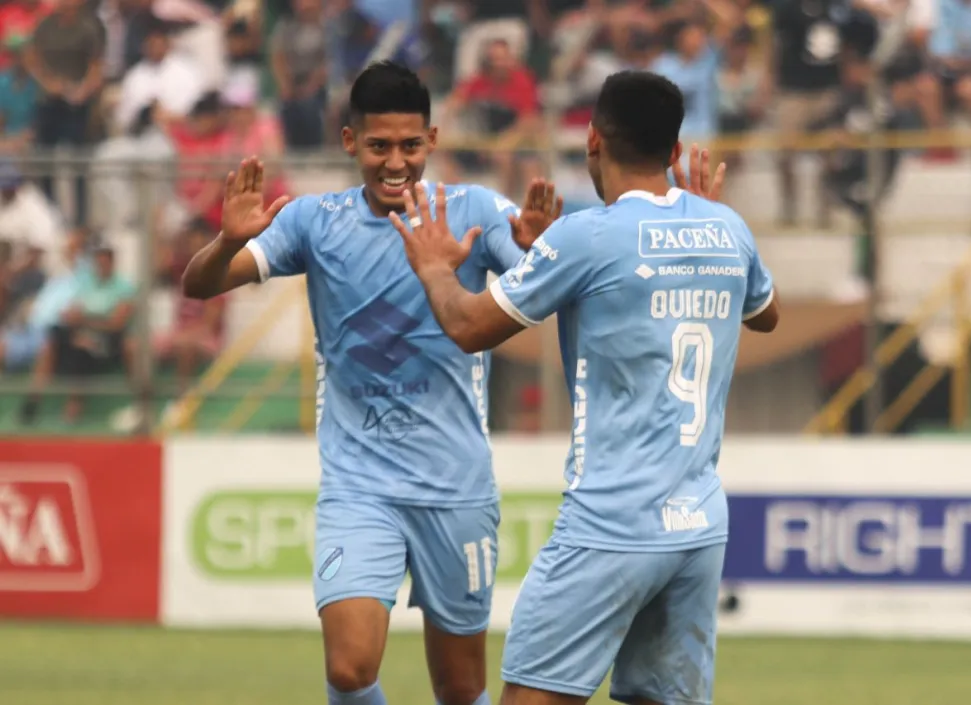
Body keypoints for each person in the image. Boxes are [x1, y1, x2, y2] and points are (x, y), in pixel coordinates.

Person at [388, 70, 779, 705]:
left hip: (611, 523)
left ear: (592, 140)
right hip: (698, 526)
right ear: (676, 153)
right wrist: (709, 216)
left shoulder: (587, 235)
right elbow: (766, 313)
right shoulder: (727, 231)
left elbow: (466, 326)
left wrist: (435, 269)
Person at [180, 60, 561, 705]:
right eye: (379, 145)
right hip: (360, 488)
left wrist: (536, 251)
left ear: (432, 141)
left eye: (410, 146)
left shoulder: (470, 210)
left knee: (462, 688)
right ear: (351, 142)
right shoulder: (311, 221)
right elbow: (200, 284)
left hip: (456, 489)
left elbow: (543, 290)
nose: (396, 162)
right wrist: (225, 241)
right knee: (350, 669)